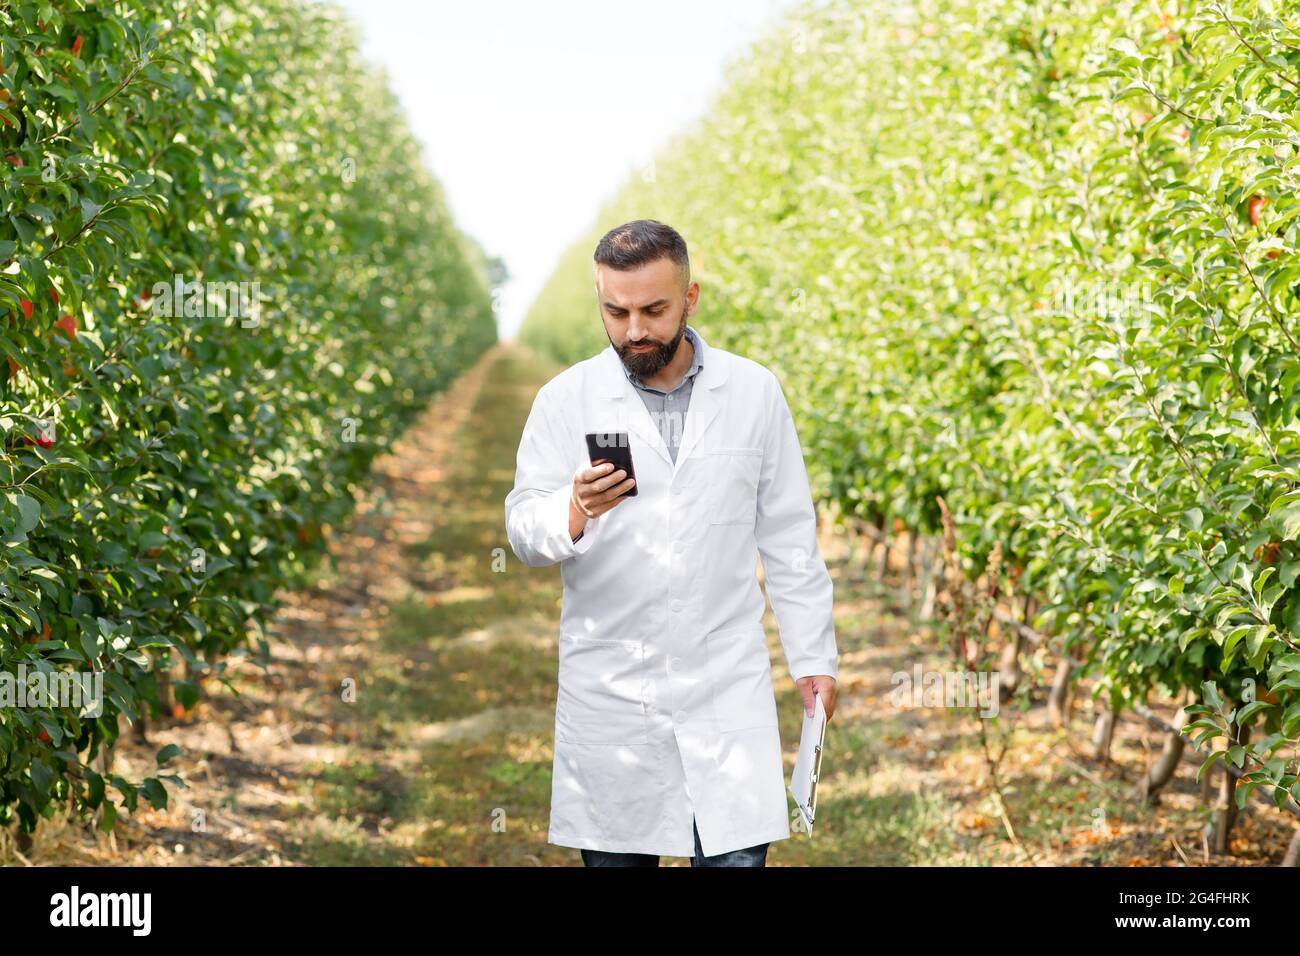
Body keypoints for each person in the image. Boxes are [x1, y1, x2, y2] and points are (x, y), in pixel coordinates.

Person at [504, 219, 838, 867]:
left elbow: (790, 536)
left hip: (725, 682)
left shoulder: (752, 392)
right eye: (616, 311)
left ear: (691, 299)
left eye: (654, 309)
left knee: (736, 857)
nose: (634, 330)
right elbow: (522, 529)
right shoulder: (565, 400)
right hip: (614, 691)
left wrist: (813, 657)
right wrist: (573, 510)